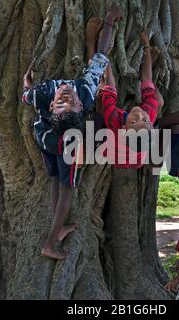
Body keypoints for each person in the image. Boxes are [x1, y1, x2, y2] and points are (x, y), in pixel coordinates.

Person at [21, 6, 123, 260]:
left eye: (67, 100)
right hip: (53, 140)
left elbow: (26, 95)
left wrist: (28, 87)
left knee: (58, 181)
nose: (66, 95)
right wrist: (108, 23)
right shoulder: (84, 91)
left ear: (81, 106)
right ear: (52, 108)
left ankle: (56, 232)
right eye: (63, 101)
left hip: (56, 141)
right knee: (64, 187)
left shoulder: (45, 94)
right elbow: (101, 57)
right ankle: (51, 242)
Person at [95, 31, 163, 168]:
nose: (139, 114)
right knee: (159, 101)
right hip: (135, 159)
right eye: (145, 120)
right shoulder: (149, 114)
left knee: (100, 101)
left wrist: (105, 56)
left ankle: (90, 42)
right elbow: (147, 81)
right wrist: (146, 45)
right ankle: (149, 62)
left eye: (134, 121)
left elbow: (110, 86)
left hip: (112, 153)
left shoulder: (114, 120)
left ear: (123, 128)